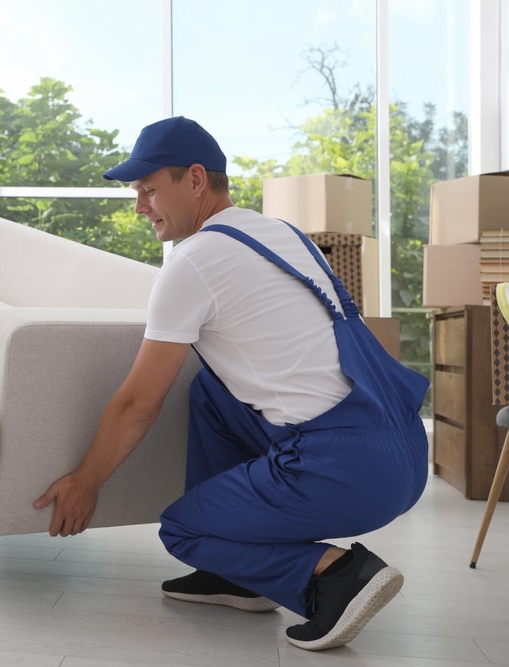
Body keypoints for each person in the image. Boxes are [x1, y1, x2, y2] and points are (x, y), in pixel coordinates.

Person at [33, 116, 429, 651]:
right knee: (211, 394)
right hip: (401, 448)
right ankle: (237, 576)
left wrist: (86, 481)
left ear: (195, 180)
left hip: (345, 468)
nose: (139, 206)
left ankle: (335, 575)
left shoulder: (193, 261)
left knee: (183, 529)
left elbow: (137, 406)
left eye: (149, 190)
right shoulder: (281, 235)